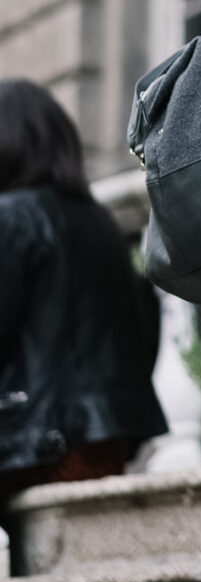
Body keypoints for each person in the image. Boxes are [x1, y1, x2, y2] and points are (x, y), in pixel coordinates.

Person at [0, 80, 166, 528]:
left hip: (34, 441)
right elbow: (144, 324)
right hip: (100, 439)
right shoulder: (101, 223)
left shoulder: (12, 216)